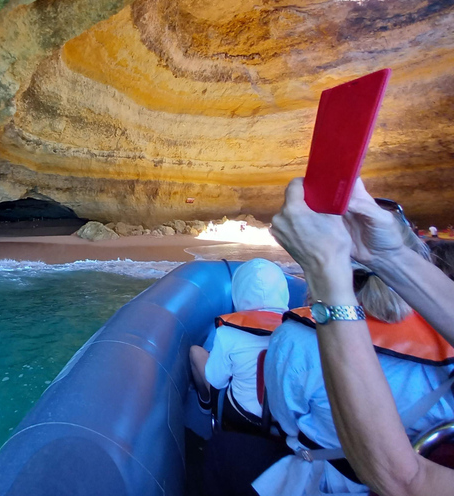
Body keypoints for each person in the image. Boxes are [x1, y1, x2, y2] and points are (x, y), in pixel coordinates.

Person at [269, 178, 454, 496]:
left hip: (335, 474)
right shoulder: (439, 337)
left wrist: (325, 269)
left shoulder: (294, 339)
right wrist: (390, 255)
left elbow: (404, 482)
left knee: (229, 452)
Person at [189, 258, 289, 431]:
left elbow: (216, 380)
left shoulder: (228, 332)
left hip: (242, 417)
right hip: (286, 422)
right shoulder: (298, 330)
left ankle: (205, 405)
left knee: (196, 352)